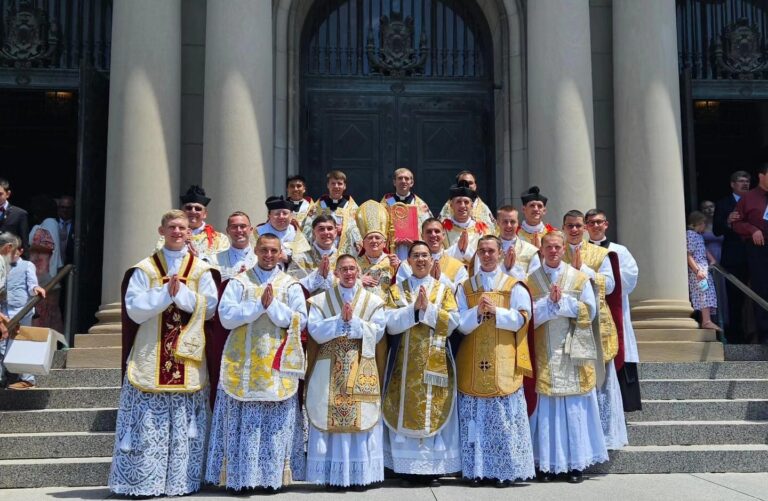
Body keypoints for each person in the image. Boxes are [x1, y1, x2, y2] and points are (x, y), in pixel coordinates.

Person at [109, 210, 220, 497]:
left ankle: (182, 482)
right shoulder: (144, 269)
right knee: (148, 424)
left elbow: (210, 308)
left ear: (189, 232)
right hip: (151, 352)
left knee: (186, 425)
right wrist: (164, 294)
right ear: (161, 230)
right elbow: (133, 309)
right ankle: (144, 482)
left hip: (187, 357)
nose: (177, 232)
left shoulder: (201, 269)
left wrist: (181, 295)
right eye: (171, 227)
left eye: (182, 227)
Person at [206, 233, 306, 492]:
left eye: (274, 251)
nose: (269, 255)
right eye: (264, 250)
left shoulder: (290, 284)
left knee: (274, 425)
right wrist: (257, 307)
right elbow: (226, 318)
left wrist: (271, 307)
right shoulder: (239, 282)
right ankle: (241, 479)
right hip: (244, 361)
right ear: (256, 251)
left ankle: (271, 479)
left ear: (280, 252)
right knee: (244, 424)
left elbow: (299, 320)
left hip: (276, 363)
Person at [454, 235, 536, 486]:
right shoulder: (466, 287)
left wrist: (496, 312)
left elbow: (523, 319)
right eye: (482, 251)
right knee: (474, 420)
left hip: (503, 360)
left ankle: (504, 471)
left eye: (491, 251)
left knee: (502, 420)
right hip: (472, 359)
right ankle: (475, 471)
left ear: (501, 254)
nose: (487, 256)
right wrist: (476, 313)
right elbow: (458, 323)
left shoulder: (514, 286)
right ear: (477, 254)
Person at [527, 231, 608, 483]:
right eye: (548, 247)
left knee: (573, 409)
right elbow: (527, 315)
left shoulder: (579, 277)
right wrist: (548, 305)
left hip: (573, 352)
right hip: (544, 353)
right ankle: (547, 465)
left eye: (557, 247)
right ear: (541, 250)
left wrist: (561, 302)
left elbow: (589, 310)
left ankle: (575, 465)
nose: (553, 251)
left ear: (564, 249)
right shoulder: (530, 280)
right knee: (547, 408)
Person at [305, 254, 387, 490]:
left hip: (361, 365)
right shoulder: (321, 300)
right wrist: (339, 319)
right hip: (328, 366)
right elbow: (316, 331)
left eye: (352, 269)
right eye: (344, 269)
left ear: (359, 272)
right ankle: (332, 475)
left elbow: (378, 330)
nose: (349, 273)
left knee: (362, 416)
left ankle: (360, 475)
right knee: (328, 415)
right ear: (336, 273)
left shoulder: (372, 301)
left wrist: (355, 324)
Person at [383, 241, 461, 484]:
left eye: (425, 255)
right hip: (403, 364)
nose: (420, 260)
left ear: (432, 260)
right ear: (409, 261)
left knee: (434, 410)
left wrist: (427, 309)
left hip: (434, 364)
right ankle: (405, 467)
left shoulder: (443, 290)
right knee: (404, 409)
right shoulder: (397, 290)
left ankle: (432, 468)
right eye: (415, 255)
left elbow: (453, 324)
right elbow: (390, 323)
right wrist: (413, 311)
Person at [561, 210, 627, 451]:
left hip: (595, 324)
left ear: (586, 228)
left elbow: (609, 285)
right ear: (563, 228)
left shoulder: (600, 254)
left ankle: (605, 436)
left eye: (579, 225)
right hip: (564, 325)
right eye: (570, 226)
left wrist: (585, 271)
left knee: (600, 377)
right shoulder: (557, 251)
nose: (575, 230)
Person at [585, 208, 642, 412]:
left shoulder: (620, 250)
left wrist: (602, 280)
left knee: (620, 347)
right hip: (590, 312)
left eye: (599, 222)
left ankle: (623, 406)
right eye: (591, 223)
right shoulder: (581, 251)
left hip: (614, 307)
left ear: (606, 224)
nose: (595, 226)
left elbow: (629, 277)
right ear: (586, 227)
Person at [1, 236, 45, 390]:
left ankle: (28, 379)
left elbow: (32, 284)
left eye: (13, 252)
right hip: (4, 311)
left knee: (20, 343)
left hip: (21, 311)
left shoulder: (27, 265)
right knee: (3, 344)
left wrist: (36, 289)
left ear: (20, 251)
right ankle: (3, 377)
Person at [714, 170, 752, 344]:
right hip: (734, 258)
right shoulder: (723, 204)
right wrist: (727, 221)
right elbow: (716, 230)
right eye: (741, 181)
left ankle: (759, 333)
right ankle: (737, 336)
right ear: (732, 184)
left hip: (756, 257)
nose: (745, 184)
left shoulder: (757, 201)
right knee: (735, 298)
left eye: (747, 181)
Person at [732, 163, 768, 345]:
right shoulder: (749, 198)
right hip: (759, 250)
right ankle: (764, 335)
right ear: (761, 176)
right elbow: (736, 223)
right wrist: (752, 229)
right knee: (762, 289)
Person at [159, 185, 230, 263]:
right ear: (182, 211)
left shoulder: (219, 239)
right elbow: (158, 261)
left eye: (198, 209)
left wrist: (199, 258)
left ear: (205, 214)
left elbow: (224, 264)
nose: (193, 211)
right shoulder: (169, 236)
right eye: (189, 208)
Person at [395, 218, 468, 293]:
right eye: (429, 232)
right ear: (422, 236)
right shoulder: (407, 265)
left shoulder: (458, 267)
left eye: (437, 231)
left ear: (443, 235)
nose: (433, 235)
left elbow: (461, 296)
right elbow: (400, 293)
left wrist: (441, 279)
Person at [302, 170, 361, 256]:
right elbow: (307, 229)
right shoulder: (317, 207)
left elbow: (358, 230)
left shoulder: (352, 208)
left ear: (344, 186)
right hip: (321, 251)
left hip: (344, 252)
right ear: (328, 185)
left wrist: (344, 229)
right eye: (333, 183)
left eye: (340, 183)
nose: (336, 186)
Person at [27, 195, 63, 332]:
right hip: (38, 274)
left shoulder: (50, 222)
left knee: (48, 310)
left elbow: (53, 247)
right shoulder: (39, 225)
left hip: (46, 274)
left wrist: (28, 247)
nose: (35, 210)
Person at [380, 168, 433, 260]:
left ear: (411, 183)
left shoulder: (420, 205)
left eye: (407, 178)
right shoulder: (386, 203)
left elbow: (428, 229)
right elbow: (379, 226)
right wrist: (390, 241)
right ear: (394, 182)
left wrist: (415, 242)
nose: (403, 181)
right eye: (400, 178)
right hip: (392, 249)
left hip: (413, 249)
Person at [441, 181, 494, 265]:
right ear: (451, 205)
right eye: (458, 202)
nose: (462, 205)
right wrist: (458, 249)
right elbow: (438, 257)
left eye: (466, 202)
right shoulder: (441, 229)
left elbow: (488, 258)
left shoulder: (483, 230)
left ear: (472, 205)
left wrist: (466, 250)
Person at [356, 200, 399, 301]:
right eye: (370, 238)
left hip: (387, 309)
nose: (374, 241)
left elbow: (405, 288)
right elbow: (343, 285)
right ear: (364, 243)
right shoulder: (355, 263)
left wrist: (397, 269)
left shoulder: (393, 262)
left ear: (384, 243)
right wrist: (358, 281)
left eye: (377, 238)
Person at [288, 215, 339, 296]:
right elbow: (291, 287)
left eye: (330, 228)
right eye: (321, 229)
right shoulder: (300, 258)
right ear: (313, 233)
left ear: (335, 232)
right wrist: (318, 275)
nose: (326, 232)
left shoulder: (343, 258)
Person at [687, 211, 721, 332]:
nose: (704, 226)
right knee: (704, 293)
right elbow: (689, 255)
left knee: (708, 293)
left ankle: (707, 320)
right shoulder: (690, 235)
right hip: (698, 271)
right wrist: (697, 271)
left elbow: (704, 249)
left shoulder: (698, 236)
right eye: (703, 224)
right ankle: (706, 321)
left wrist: (712, 260)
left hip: (704, 269)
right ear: (697, 223)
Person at [256, 195, 311, 267]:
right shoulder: (258, 232)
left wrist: (288, 259)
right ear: (269, 215)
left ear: (291, 216)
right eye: (277, 214)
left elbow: (306, 259)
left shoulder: (296, 233)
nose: (281, 217)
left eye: (285, 213)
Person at [492, 205, 540, 279]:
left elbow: (535, 281)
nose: (509, 225)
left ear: (518, 223)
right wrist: (504, 267)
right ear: (498, 223)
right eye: (505, 222)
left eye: (512, 222)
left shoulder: (530, 251)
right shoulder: (488, 249)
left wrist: (512, 270)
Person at [214, 211, 257, 281]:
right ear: (228, 231)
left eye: (243, 226)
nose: (239, 230)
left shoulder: (260, 258)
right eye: (234, 227)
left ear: (251, 230)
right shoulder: (215, 260)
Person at [0, 178, 30, 253]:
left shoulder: (19, 214)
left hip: (10, 259)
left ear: (8, 194)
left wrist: (25, 263)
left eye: (0, 194)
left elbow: (24, 243)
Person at [57, 195, 75, 265]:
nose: (65, 210)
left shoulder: (78, 226)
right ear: (58, 209)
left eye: (68, 208)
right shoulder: (53, 223)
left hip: (71, 265)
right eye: (62, 207)